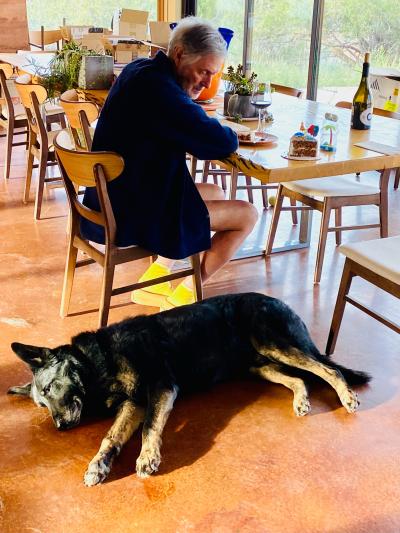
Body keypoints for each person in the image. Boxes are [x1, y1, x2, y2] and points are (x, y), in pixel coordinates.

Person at [81, 17, 258, 310]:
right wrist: (228, 129)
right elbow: (220, 143)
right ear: (179, 55)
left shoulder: (141, 69)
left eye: (212, 75)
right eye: (203, 71)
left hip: (111, 198)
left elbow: (185, 120)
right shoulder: (159, 91)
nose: (207, 82)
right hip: (129, 213)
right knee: (247, 215)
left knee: (213, 191)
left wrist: (195, 112)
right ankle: (185, 298)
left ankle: (157, 279)